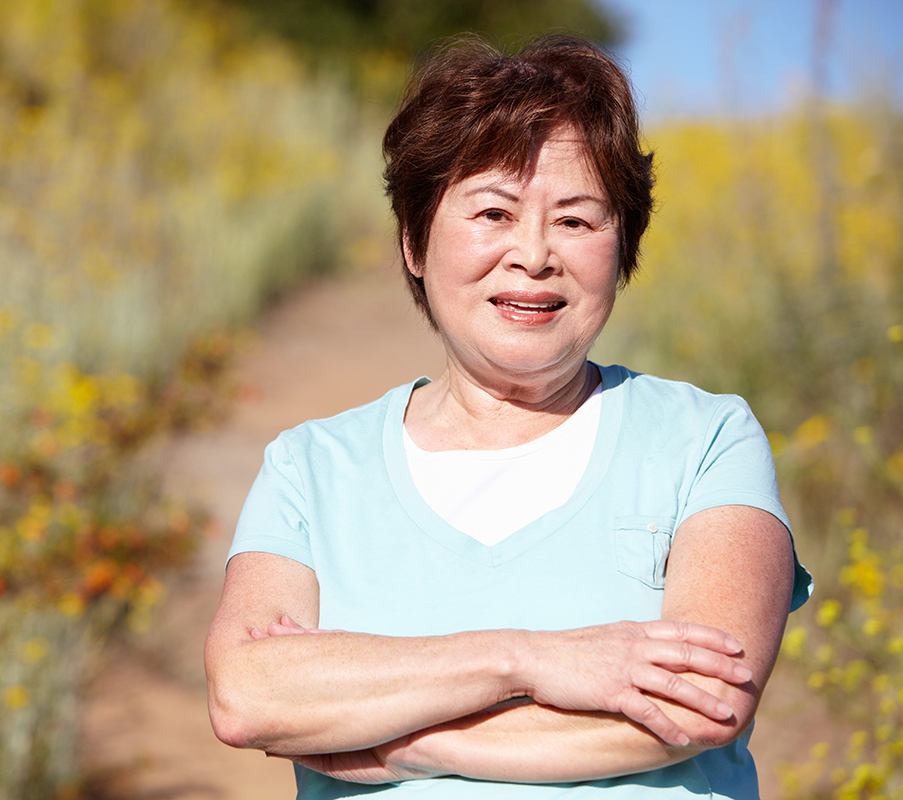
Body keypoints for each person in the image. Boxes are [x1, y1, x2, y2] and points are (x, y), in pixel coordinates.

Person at [205, 34, 812, 799]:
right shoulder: (311, 469)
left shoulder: (705, 440)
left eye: (577, 221)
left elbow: (701, 702)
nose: (533, 254)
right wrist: (524, 659)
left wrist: (401, 743)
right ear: (414, 243)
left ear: (622, 248)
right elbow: (248, 694)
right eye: (493, 211)